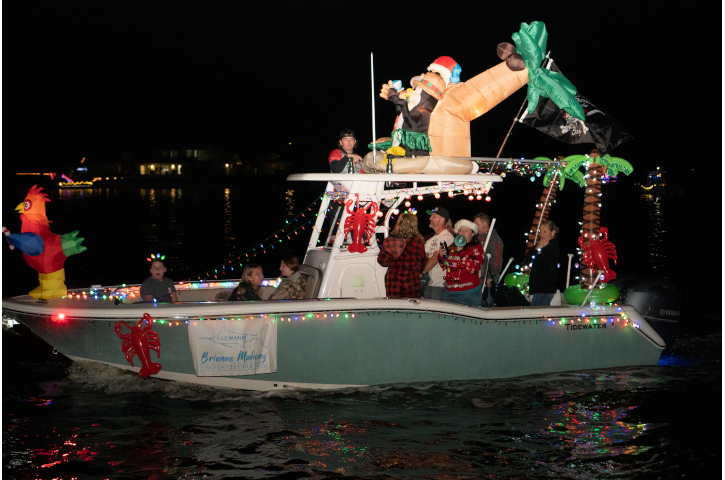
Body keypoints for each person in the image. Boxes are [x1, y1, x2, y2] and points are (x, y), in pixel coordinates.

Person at [377, 213, 427, 298]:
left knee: (395, 308)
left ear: (399, 223)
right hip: (412, 281)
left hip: (394, 281)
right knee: (412, 308)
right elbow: (422, 264)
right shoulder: (418, 242)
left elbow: (382, 262)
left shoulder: (389, 241)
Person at [438, 219, 484, 307]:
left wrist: (461, 252)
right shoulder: (452, 246)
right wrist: (441, 256)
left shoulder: (477, 249)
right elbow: (443, 265)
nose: (462, 233)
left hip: (468, 294)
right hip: (449, 293)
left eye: (466, 231)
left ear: (472, 234)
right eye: (460, 230)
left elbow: (474, 268)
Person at [421, 207, 455, 301]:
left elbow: (435, 258)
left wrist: (420, 273)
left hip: (441, 285)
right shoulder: (431, 240)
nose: (430, 218)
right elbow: (424, 257)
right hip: (431, 284)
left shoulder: (447, 237)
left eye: (433, 216)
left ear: (442, 219)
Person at [473, 212, 504, 307]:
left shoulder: (494, 238)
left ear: (485, 224)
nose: (475, 227)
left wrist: (491, 276)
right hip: (479, 275)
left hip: (489, 276)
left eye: (477, 224)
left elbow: (496, 258)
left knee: (487, 301)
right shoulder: (478, 238)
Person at [528, 220, 560, 306]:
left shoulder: (552, 247)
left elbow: (548, 268)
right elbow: (527, 260)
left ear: (552, 232)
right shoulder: (541, 245)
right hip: (538, 288)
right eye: (540, 231)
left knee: (537, 314)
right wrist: (537, 247)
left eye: (545, 231)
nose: (541, 234)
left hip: (544, 289)